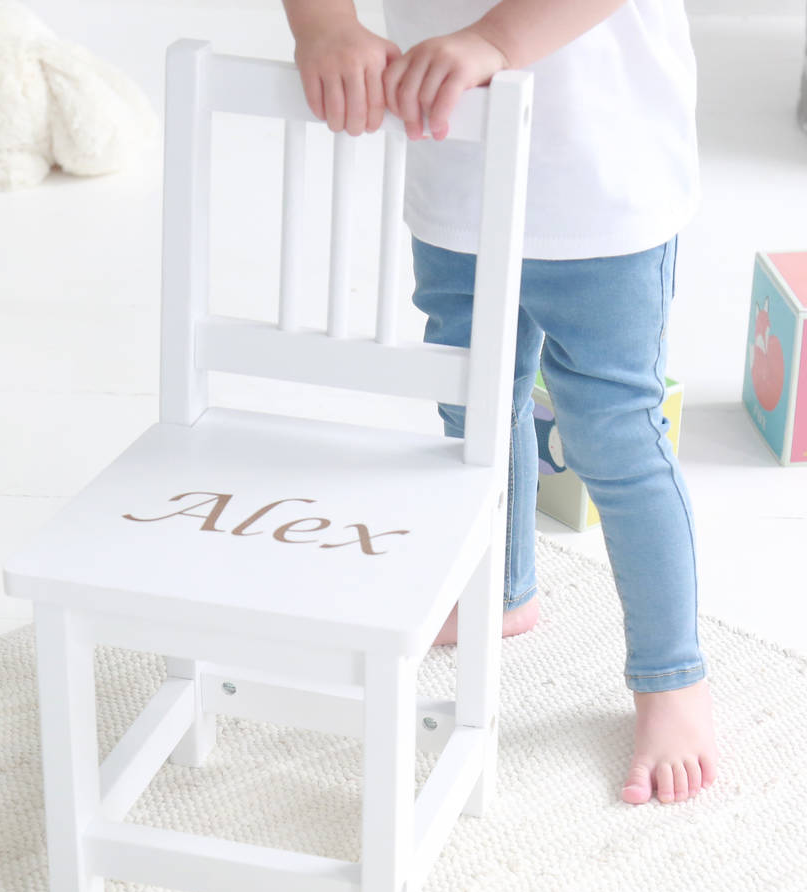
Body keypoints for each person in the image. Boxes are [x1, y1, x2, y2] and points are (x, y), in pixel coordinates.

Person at [280, 0, 719, 805]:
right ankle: (499, 590)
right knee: (473, 410)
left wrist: (493, 40)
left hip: (605, 178)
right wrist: (324, 24)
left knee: (617, 436)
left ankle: (671, 675)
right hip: (457, 171)